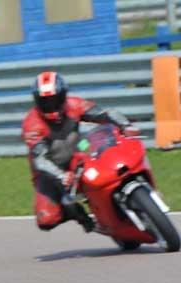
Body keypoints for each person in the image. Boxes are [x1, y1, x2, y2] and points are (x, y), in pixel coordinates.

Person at [22, 71, 141, 232]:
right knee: (46, 220)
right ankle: (76, 214)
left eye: (54, 100)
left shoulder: (75, 105)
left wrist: (125, 125)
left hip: (79, 152)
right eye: (45, 102)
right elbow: (40, 161)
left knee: (107, 150)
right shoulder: (32, 124)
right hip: (49, 172)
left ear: (63, 96)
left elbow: (104, 113)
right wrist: (61, 175)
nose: (51, 105)